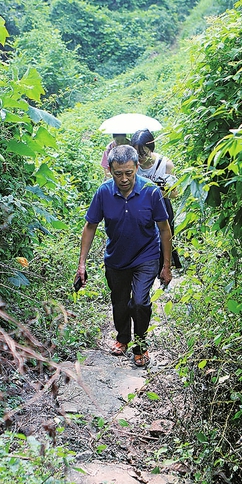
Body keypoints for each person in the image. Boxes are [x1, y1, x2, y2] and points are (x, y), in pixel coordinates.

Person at [76, 144, 172, 367]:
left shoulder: (150, 192)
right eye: (118, 173)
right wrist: (82, 263)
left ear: (137, 167)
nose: (124, 179)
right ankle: (122, 338)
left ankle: (140, 345)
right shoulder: (103, 192)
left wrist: (166, 265)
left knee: (139, 302)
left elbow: (164, 229)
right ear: (110, 170)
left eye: (129, 172)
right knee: (119, 303)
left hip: (146, 255)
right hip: (117, 258)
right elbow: (90, 226)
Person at [131, 129, 182, 269]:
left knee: (164, 240)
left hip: (161, 206)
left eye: (143, 153)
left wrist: (154, 191)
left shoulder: (165, 164)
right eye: (137, 154)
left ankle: (165, 269)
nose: (140, 158)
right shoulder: (133, 165)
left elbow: (174, 193)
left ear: (151, 149)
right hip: (139, 207)